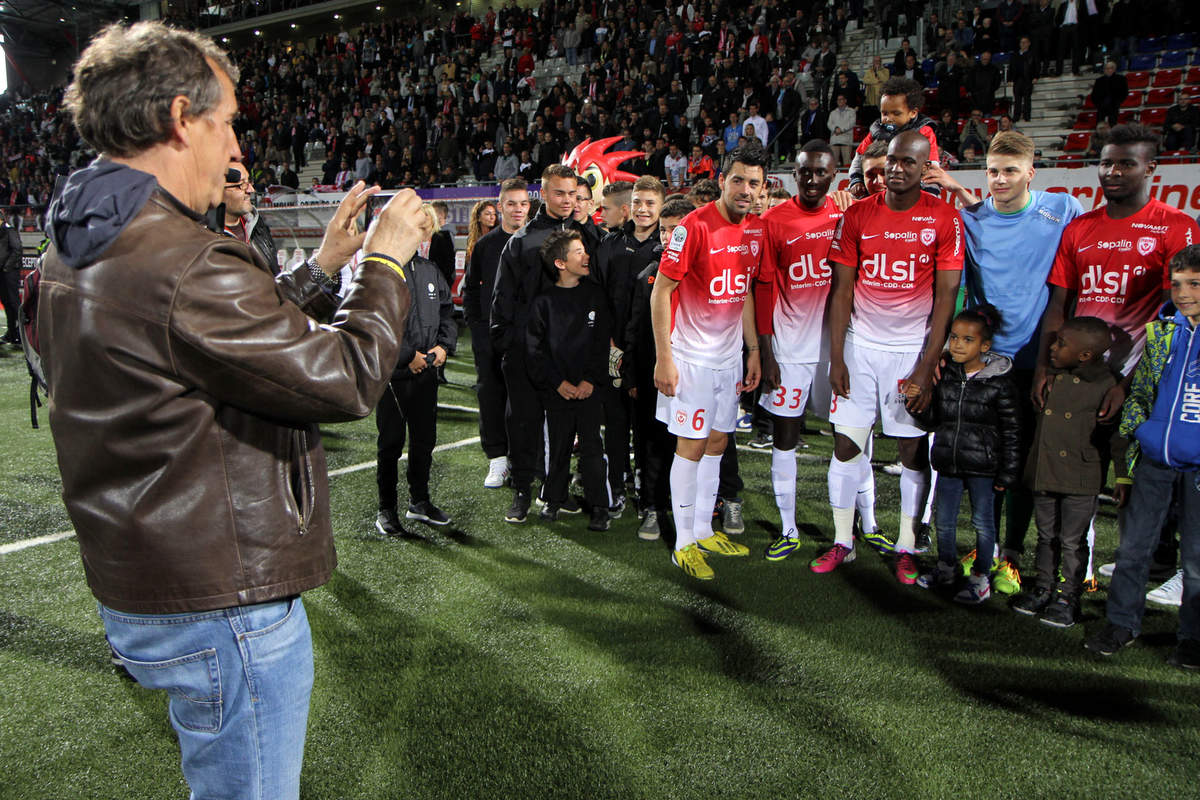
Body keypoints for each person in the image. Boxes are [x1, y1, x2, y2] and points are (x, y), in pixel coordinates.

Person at [38, 22, 427, 800]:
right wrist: (386, 263)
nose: (233, 145)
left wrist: (322, 268)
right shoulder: (179, 258)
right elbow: (347, 377)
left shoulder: (84, 235)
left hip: (150, 577)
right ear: (182, 119)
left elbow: (208, 338)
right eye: (227, 123)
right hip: (221, 594)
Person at [1039, 124, 1200, 587]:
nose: (1112, 171)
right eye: (1106, 162)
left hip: (1145, 379)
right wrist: (1049, 368)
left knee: (1145, 479)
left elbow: (1179, 314)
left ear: (1151, 167)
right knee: (1081, 473)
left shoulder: (1175, 227)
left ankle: (1161, 567)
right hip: (1084, 378)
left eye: (1125, 163)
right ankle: (1081, 570)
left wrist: (1129, 383)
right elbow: (1058, 305)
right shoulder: (1080, 228)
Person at [927, 131, 1084, 592]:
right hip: (985, 361)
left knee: (1023, 462)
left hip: (1037, 358)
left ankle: (1012, 554)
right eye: (993, 171)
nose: (1000, 179)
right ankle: (986, 551)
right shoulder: (970, 219)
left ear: (1031, 172)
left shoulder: (1062, 209)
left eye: (1010, 171)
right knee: (985, 462)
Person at [818, 130, 964, 584]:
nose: (897, 169)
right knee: (846, 446)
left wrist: (926, 363)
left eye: (908, 162)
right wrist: (837, 357)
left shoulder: (943, 218)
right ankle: (844, 541)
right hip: (860, 349)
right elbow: (841, 289)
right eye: (891, 162)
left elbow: (947, 297)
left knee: (912, 451)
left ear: (926, 168)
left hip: (910, 355)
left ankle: (905, 545)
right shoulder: (858, 215)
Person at [652, 141, 768, 580]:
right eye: (737, 179)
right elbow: (661, 291)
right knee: (692, 446)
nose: (744, 188)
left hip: (728, 359)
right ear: (722, 179)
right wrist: (665, 357)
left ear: (761, 188)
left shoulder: (755, 230)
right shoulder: (694, 226)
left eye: (753, 183)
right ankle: (683, 542)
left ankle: (703, 530)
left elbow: (744, 294)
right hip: (692, 360)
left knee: (719, 442)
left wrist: (752, 350)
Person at [757, 141, 872, 562]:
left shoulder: (847, 215)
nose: (811, 179)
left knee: (854, 435)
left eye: (820, 172)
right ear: (795, 174)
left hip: (842, 346)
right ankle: (789, 529)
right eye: (804, 171)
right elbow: (765, 288)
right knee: (786, 437)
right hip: (790, 348)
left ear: (835, 174)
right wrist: (766, 352)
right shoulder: (773, 221)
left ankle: (868, 523)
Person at [1086, 246, 1200, 666]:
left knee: (1197, 561)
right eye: (1176, 284)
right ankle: (1121, 624)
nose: (1183, 292)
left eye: (1194, 284)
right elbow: (1141, 396)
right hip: (1153, 458)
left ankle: (1192, 637)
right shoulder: (1162, 330)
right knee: (1133, 549)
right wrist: (1128, 463)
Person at [492, 164, 598, 523]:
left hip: (569, 357)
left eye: (572, 194)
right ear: (544, 194)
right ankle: (522, 492)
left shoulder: (588, 237)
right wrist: (512, 347)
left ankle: (555, 491)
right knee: (523, 424)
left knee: (565, 429)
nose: (567, 200)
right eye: (559, 193)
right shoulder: (521, 242)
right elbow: (502, 300)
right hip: (526, 354)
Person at [1010, 317, 1123, 626]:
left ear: (1085, 355)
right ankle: (1044, 588)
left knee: (1072, 540)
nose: (1053, 348)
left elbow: (1116, 438)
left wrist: (1122, 477)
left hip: (1080, 476)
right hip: (1045, 470)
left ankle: (1068, 597)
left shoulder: (1107, 385)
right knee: (1046, 535)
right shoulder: (1051, 377)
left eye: (1061, 344)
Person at [912, 307, 1021, 604]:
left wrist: (1008, 471)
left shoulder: (1000, 381)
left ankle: (980, 578)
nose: (958, 344)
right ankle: (946, 567)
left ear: (985, 346)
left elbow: (1012, 430)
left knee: (983, 524)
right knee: (944, 520)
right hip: (948, 463)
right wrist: (915, 404)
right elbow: (934, 421)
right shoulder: (946, 375)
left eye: (967, 339)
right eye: (955, 337)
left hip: (984, 468)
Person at [375, 205, 458, 534]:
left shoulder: (430, 269)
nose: (423, 233)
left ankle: (419, 502)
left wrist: (443, 347)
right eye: (418, 227)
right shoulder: (382, 271)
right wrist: (407, 355)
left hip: (427, 374)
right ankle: (386, 510)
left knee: (424, 441)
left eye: (427, 228)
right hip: (394, 377)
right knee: (391, 443)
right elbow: (376, 325)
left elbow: (447, 313)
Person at [527, 229, 612, 531]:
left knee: (592, 448)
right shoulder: (543, 301)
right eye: (578, 251)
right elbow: (535, 350)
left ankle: (600, 505)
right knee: (559, 446)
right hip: (557, 393)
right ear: (560, 263)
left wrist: (590, 380)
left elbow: (601, 343)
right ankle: (553, 498)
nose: (586, 256)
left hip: (590, 391)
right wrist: (558, 383)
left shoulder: (596, 294)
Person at [623, 197, 695, 541]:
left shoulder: (707, 272)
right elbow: (635, 331)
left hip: (696, 374)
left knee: (689, 443)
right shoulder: (648, 276)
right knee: (652, 441)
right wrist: (634, 377)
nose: (669, 237)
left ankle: (690, 507)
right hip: (655, 376)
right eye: (664, 230)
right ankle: (651, 506)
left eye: (676, 229)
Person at [465, 178, 529, 489]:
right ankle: (497, 459)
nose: (518, 209)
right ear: (500, 206)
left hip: (529, 339)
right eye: (511, 204)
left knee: (525, 401)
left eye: (523, 204)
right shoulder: (484, 246)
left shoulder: (539, 241)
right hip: (490, 338)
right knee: (491, 396)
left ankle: (526, 460)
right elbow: (471, 292)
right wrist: (478, 331)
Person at [846, 78, 939, 198]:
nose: (888, 118)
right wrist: (856, 180)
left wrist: (928, 192)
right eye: (884, 113)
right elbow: (859, 157)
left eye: (896, 113)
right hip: (882, 190)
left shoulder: (924, 131)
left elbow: (932, 165)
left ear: (913, 113)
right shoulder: (876, 130)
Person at [221, 160, 279, 272]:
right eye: (242, 185)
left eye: (249, 182)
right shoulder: (204, 235)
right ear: (217, 190)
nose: (251, 190)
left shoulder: (258, 225)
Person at [0, 208, 21, 346]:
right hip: (2, 273)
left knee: (13, 303)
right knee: (6, 302)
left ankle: (22, 334)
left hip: (9, 272)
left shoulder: (9, 231)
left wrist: (7, 267)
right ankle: (12, 332)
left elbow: (17, 249)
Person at [427, 199, 456, 290]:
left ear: (441, 215)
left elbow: (448, 264)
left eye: (431, 213)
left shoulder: (445, 235)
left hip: (440, 283)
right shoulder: (437, 234)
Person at [1091, 62, 1129, 128]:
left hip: (1114, 105)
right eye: (1106, 68)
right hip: (1101, 106)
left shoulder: (1121, 79)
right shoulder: (1099, 80)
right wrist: (1098, 104)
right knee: (1100, 125)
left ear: (1114, 69)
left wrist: (1118, 102)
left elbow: (1124, 93)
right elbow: (1094, 94)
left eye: (1110, 68)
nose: (1108, 70)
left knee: (1113, 125)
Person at [827, 94, 857, 167]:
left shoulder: (851, 111)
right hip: (835, 139)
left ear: (845, 100)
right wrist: (835, 129)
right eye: (838, 100)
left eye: (841, 99)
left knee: (847, 162)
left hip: (846, 140)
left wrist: (841, 130)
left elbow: (851, 123)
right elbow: (829, 124)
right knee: (834, 163)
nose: (839, 101)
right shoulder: (833, 112)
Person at [465, 199, 497, 263]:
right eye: (488, 214)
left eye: (494, 214)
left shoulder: (497, 237)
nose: (492, 217)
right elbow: (468, 264)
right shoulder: (471, 238)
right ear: (478, 217)